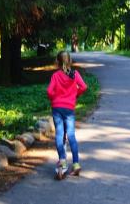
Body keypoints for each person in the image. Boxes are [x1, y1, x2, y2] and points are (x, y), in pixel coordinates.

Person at [47, 51, 87, 180]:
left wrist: (54, 98)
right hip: (69, 108)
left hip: (57, 108)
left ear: (57, 62)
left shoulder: (55, 75)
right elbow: (84, 87)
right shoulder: (75, 74)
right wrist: (76, 94)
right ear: (70, 61)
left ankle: (63, 161)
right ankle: (75, 164)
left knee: (60, 134)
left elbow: (49, 91)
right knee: (71, 135)